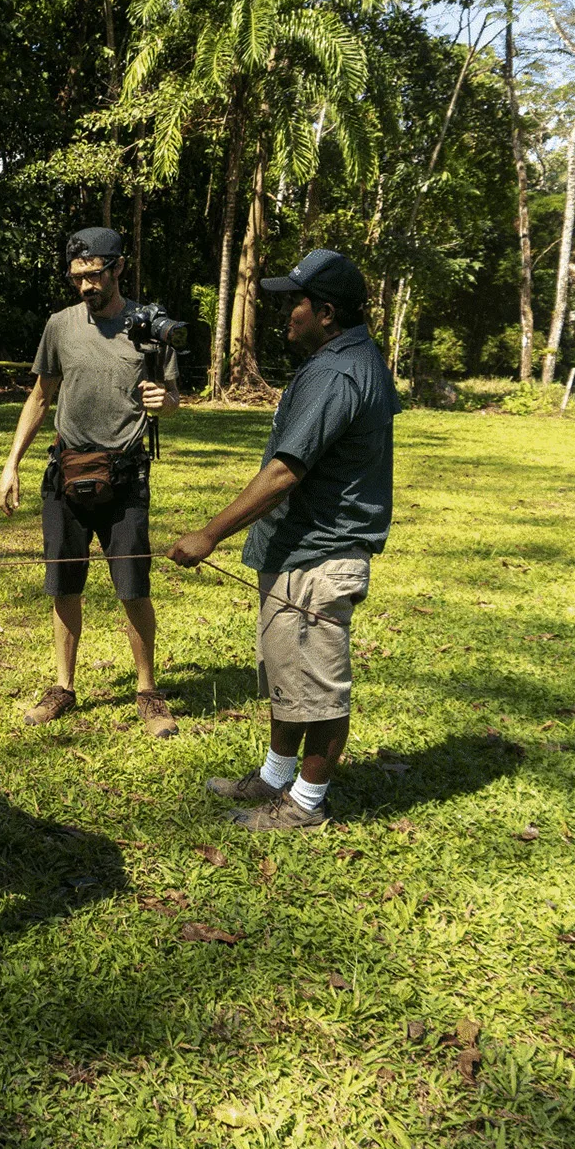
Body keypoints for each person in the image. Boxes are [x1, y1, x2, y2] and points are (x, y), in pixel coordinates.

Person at [168, 249, 399, 829]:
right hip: (299, 548)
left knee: (318, 690)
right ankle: (275, 777)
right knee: (287, 672)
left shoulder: (336, 373)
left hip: (319, 556)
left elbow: (284, 472)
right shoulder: (351, 357)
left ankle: (305, 803)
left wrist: (209, 535)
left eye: (295, 302)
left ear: (324, 312)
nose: (286, 313)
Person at [0, 227, 181, 739]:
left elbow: (172, 397)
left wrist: (163, 403)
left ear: (119, 268)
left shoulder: (149, 328)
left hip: (124, 477)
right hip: (65, 474)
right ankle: (62, 687)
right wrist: (12, 462)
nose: (86, 286)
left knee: (132, 588)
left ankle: (147, 691)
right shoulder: (59, 326)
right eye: (78, 277)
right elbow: (40, 397)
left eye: (95, 275)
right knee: (63, 586)